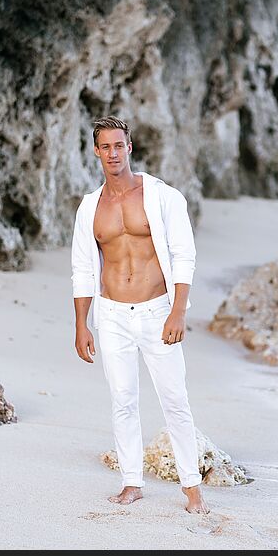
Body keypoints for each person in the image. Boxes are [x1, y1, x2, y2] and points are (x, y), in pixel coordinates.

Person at [70, 115, 209, 514]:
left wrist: (178, 311)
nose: (113, 153)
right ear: (96, 151)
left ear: (129, 147)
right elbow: (82, 267)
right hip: (111, 314)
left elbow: (184, 255)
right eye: (105, 147)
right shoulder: (89, 207)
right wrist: (82, 324)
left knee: (174, 399)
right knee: (123, 399)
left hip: (157, 310)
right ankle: (132, 482)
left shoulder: (164, 197)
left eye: (119, 145)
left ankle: (192, 488)